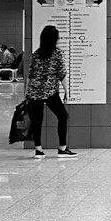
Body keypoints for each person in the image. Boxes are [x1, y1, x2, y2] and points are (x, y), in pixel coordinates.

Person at [26, 25, 76, 157]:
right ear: (54, 39)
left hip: (35, 92)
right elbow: (62, 73)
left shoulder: (36, 54)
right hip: (50, 92)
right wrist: (66, 90)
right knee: (63, 116)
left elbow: (30, 75)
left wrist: (27, 93)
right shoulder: (57, 53)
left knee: (37, 121)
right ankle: (62, 148)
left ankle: (38, 150)